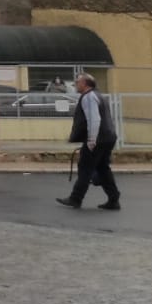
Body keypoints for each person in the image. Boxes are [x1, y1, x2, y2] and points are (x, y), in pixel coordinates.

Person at [57, 73, 121, 210]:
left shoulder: (89, 97)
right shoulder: (99, 95)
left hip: (98, 139)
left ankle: (75, 198)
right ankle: (114, 199)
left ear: (85, 84)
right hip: (108, 137)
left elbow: (94, 119)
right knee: (103, 169)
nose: (75, 84)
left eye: (78, 82)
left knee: (85, 167)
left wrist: (92, 140)